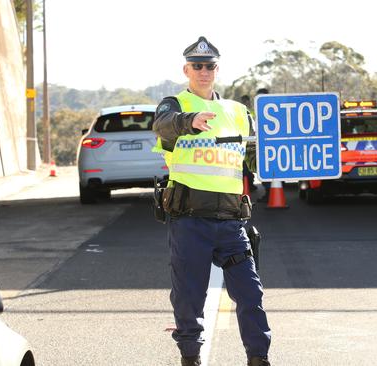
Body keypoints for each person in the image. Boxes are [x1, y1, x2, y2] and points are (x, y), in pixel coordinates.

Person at [152, 36, 271, 366]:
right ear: (186, 69)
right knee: (189, 299)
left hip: (232, 223)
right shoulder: (173, 104)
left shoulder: (236, 111)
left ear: (217, 69)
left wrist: (284, 160)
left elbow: (256, 157)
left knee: (250, 294)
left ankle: (259, 358)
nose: (204, 71)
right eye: (198, 66)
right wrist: (188, 122)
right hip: (189, 220)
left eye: (210, 66)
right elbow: (161, 126)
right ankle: (191, 357)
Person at [254, 88, 271, 202]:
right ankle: (269, 192)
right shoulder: (257, 111)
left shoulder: (274, 110)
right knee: (264, 170)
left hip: (272, 146)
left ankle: (270, 192)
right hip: (262, 146)